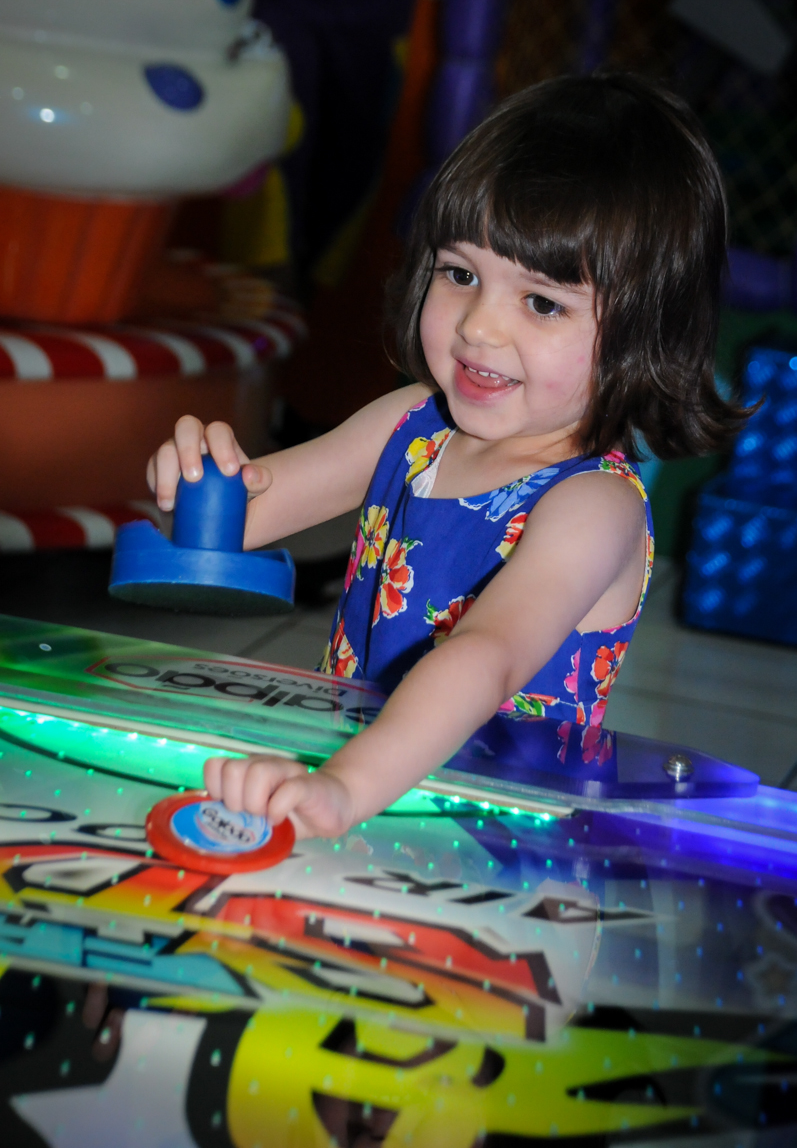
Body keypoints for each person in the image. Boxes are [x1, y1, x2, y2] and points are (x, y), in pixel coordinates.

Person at [149, 72, 747, 841]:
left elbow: (486, 657)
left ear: (643, 333)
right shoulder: (409, 425)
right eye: (459, 274)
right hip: (360, 790)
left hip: (497, 850)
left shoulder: (593, 506)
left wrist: (344, 785)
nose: (477, 328)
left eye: (541, 302)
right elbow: (242, 520)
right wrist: (195, 486)